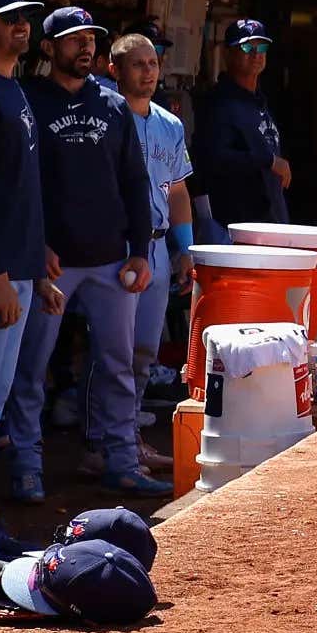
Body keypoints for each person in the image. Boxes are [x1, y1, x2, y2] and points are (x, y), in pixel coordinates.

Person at [6, 7, 166, 500]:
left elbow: (136, 181)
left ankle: (120, 460)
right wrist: (34, 249)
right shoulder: (30, 100)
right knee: (33, 365)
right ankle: (26, 466)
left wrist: (140, 250)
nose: (85, 48)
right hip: (50, 263)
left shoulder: (113, 104)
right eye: (73, 40)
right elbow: (19, 186)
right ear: (49, 47)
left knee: (118, 364)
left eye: (91, 39)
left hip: (110, 259)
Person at [0, 0, 48, 559]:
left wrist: (36, 265)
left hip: (17, 266)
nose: (20, 25)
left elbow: (21, 190)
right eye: (7, 17)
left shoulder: (13, 87)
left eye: (24, 16)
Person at [106, 33, 192, 476]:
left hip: (157, 245)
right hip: (115, 246)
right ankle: (103, 441)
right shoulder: (102, 114)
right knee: (112, 352)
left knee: (144, 351)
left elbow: (177, 190)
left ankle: (129, 435)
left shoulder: (169, 124)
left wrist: (186, 248)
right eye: (137, 64)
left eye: (153, 62)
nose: (149, 71)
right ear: (114, 68)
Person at [193, 19, 288, 238]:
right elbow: (212, 159)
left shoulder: (259, 100)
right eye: (247, 47)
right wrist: (268, 160)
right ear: (228, 54)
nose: (256, 54)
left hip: (267, 222)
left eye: (262, 47)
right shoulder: (218, 103)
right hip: (234, 226)